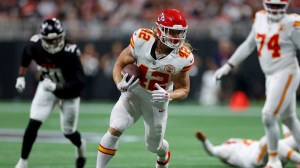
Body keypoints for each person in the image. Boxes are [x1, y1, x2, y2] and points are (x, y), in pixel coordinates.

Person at [96, 9, 194, 168]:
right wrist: (120, 83)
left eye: (180, 33)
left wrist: (168, 96)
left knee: (153, 146)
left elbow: (184, 90)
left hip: (157, 102)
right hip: (134, 93)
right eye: (173, 32)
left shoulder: (183, 57)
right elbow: (119, 64)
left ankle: (163, 153)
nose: (178, 37)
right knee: (116, 128)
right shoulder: (142, 39)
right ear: (161, 29)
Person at [214, 0, 300, 167]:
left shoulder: (292, 23)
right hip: (270, 75)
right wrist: (228, 65)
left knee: (268, 115)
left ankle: (274, 161)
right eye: (272, 6)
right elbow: (248, 45)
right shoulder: (260, 18)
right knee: (288, 119)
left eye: (278, 6)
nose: (275, 10)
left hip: (286, 72)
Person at [14, 18, 86, 168]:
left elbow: (79, 83)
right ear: (43, 38)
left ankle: (80, 147)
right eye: (49, 40)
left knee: (69, 132)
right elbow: (26, 54)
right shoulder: (35, 44)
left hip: (68, 93)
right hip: (46, 87)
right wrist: (21, 76)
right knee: (34, 121)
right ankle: (22, 161)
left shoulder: (71, 52)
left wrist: (56, 87)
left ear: (62, 36)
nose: (53, 43)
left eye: (57, 39)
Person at [195, 131, 300, 167]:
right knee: (268, 140)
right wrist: (204, 141)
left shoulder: (233, 143)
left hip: (267, 151)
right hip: (255, 159)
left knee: (295, 137)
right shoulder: (227, 150)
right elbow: (212, 151)